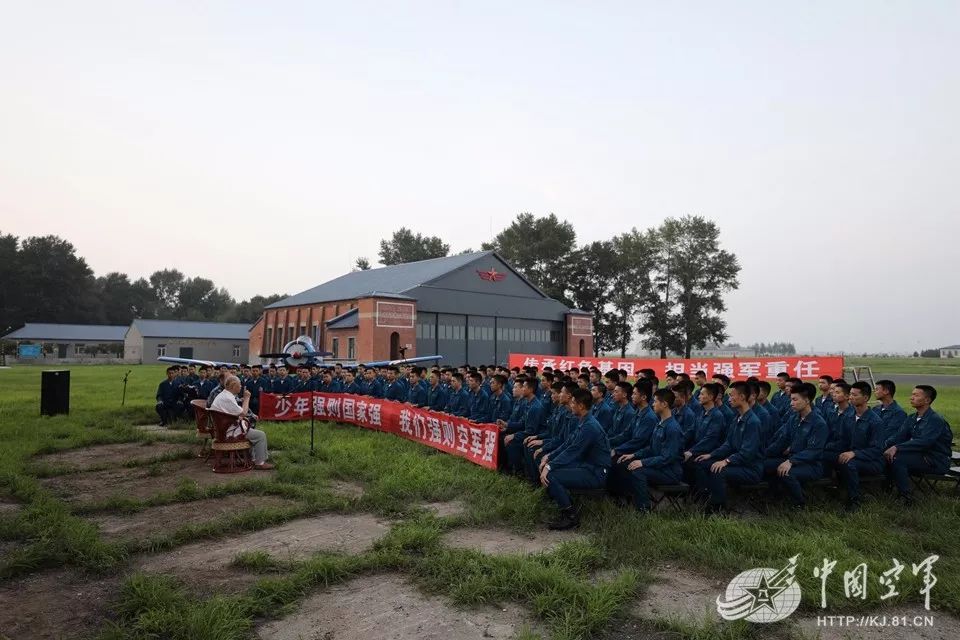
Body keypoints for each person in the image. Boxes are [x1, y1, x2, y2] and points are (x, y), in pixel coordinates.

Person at [540, 389, 611, 530]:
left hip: (595, 472)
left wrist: (549, 466)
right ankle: (564, 507)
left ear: (581, 406)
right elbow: (568, 444)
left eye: (573, 403)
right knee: (551, 470)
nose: (570, 406)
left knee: (552, 475)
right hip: (586, 467)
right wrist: (549, 457)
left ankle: (571, 517)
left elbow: (573, 451)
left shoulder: (589, 426)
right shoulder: (584, 421)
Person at [694, 381, 762, 514]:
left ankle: (717, 509)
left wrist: (726, 461)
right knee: (702, 463)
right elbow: (728, 444)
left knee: (718, 470)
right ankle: (705, 497)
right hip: (737, 463)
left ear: (742, 397)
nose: (728, 399)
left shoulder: (753, 422)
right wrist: (711, 455)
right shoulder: (737, 418)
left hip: (750, 468)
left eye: (732, 396)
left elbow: (747, 453)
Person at [884, 385, 954, 505]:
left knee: (897, 459)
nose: (911, 397)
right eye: (912, 394)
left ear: (927, 400)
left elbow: (924, 442)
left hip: (936, 459)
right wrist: (883, 445)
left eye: (916, 395)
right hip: (919, 456)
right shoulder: (912, 417)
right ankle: (886, 489)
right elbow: (898, 436)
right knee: (884, 454)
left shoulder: (935, 420)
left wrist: (897, 447)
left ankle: (905, 497)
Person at [762, 382, 827, 508]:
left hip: (811, 465)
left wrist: (791, 461)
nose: (791, 403)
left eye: (795, 399)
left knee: (787, 473)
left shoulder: (819, 423)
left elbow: (814, 451)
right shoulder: (794, 418)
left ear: (807, 400)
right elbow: (782, 441)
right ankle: (775, 496)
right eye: (791, 399)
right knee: (764, 464)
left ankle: (799, 504)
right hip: (792, 459)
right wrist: (764, 453)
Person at [623, 388, 684, 513]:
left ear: (664, 404)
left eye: (655, 401)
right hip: (660, 467)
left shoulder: (672, 428)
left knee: (638, 471)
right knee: (627, 463)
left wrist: (642, 462)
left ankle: (644, 510)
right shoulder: (660, 423)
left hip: (670, 472)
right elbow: (651, 448)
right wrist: (634, 455)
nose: (653, 404)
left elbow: (667, 457)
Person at [834, 381, 884, 512]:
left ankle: (854, 500)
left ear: (866, 398)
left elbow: (877, 449)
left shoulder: (875, 421)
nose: (851, 397)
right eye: (850, 394)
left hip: (872, 461)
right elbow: (842, 440)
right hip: (850, 455)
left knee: (849, 464)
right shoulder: (848, 416)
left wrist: (854, 453)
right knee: (827, 456)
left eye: (855, 395)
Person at [210, 375, 274, 470]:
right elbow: (243, 413)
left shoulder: (224, 395)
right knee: (260, 435)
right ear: (233, 386)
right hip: (229, 432)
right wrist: (247, 398)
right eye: (239, 385)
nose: (241, 387)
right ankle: (260, 462)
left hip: (223, 429)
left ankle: (254, 458)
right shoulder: (227, 398)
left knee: (253, 431)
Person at [682, 382, 727, 485]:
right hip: (698, 450)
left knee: (694, 463)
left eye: (702, 394)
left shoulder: (717, 416)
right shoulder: (701, 413)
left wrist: (692, 452)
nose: (699, 396)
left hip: (710, 452)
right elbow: (691, 431)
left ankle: (702, 494)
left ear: (711, 397)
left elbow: (710, 439)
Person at [500, 378, 545, 474]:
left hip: (536, 436)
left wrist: (514, 435)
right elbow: (522, 423)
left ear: (531, 389)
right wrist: (507, 425)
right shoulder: (529, 403)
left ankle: (519, 472)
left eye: (524, 386)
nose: (522, 389)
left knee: (511, 442)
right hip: (528, 433)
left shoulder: (535, 407)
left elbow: (531, 431)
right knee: (505, 437)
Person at [822, 380, 854, 477]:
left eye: (837, 392)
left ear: (847, 396)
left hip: (843, 450)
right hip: (831, 447)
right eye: (833, 392)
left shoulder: (852, 414)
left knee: (823, 456)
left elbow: (848, 439)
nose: (833, 394)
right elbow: (826, 431)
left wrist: (828, 446)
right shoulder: (831, 412)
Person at [873, 379, 908, 449]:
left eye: (877, 389)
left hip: (882, 449)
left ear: (886, 391)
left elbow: (889, 434)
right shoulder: (875, 409)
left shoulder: (899, 413)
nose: (874, 392)